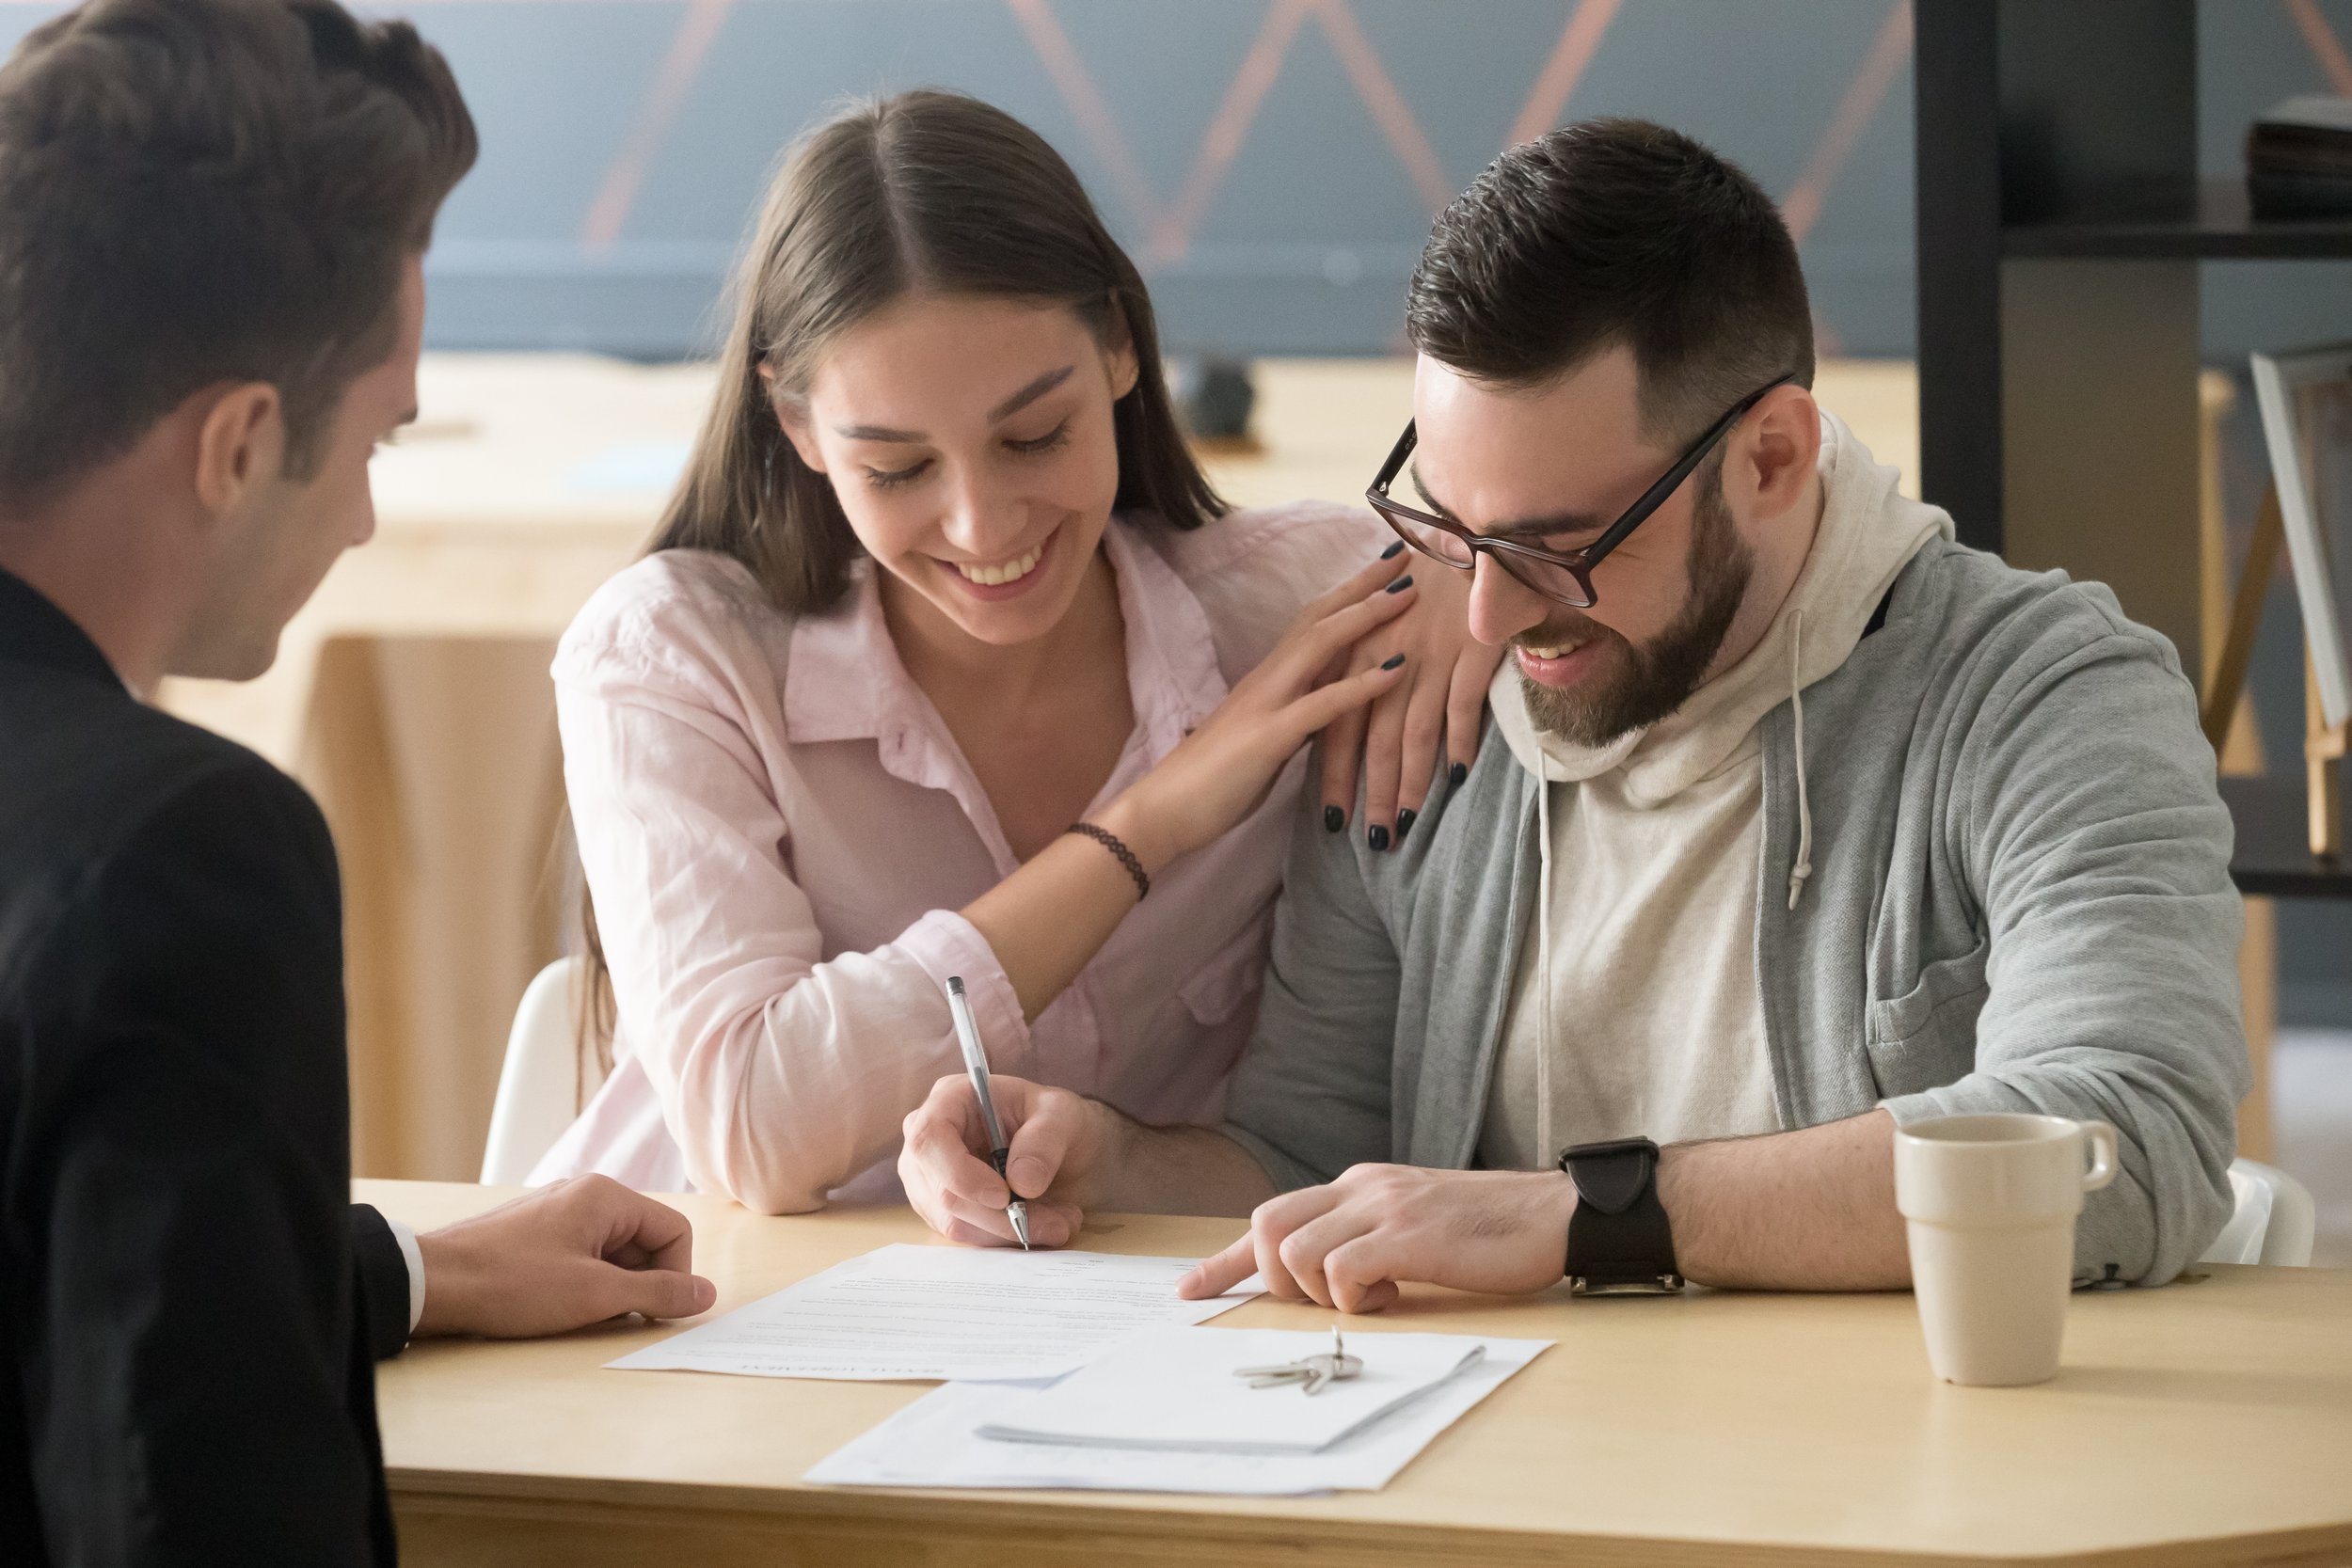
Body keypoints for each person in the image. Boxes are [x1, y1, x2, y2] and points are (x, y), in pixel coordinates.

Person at [898, 118, 2249, 1304]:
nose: (1483, 618)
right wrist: (1113, 1155)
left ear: (1771, 457)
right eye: (1451, 526)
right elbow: (1316, 1152)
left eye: (1555, 544)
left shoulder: (2044, 696)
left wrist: (1586, 1216)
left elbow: (2128, 1137)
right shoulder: (1422, 713)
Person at [0, 4, 713, 1561]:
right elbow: (195, 1506)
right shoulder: (177, 849)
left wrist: (400, 1266)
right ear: (240, 445)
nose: (369, 524)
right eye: (379, 440)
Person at [532, 89, 1499, 1212]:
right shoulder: (672, 655)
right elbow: (752, 1129)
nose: (983, 528)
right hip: (714, 1323)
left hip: (1155, 1331)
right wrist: (1148, 824)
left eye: (1036, 435)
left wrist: (1464, 566)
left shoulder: (1307, 613)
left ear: (1122, 351)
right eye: (896, 468)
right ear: (797, 427)